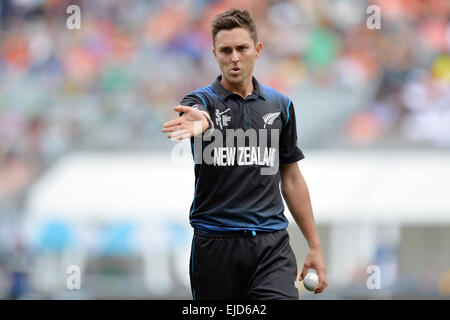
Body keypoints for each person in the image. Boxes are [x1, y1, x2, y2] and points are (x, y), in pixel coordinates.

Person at [162, 8, 327, 300]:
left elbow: (291, 179)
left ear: (257, 50)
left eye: (242, 48)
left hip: (271, 246)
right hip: (214, 246)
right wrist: (201, 122)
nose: (234, 57)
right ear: (214, 53)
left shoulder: (281, 106)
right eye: (225, 50)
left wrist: (314, 245)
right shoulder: (200, 101)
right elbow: (199, 113)